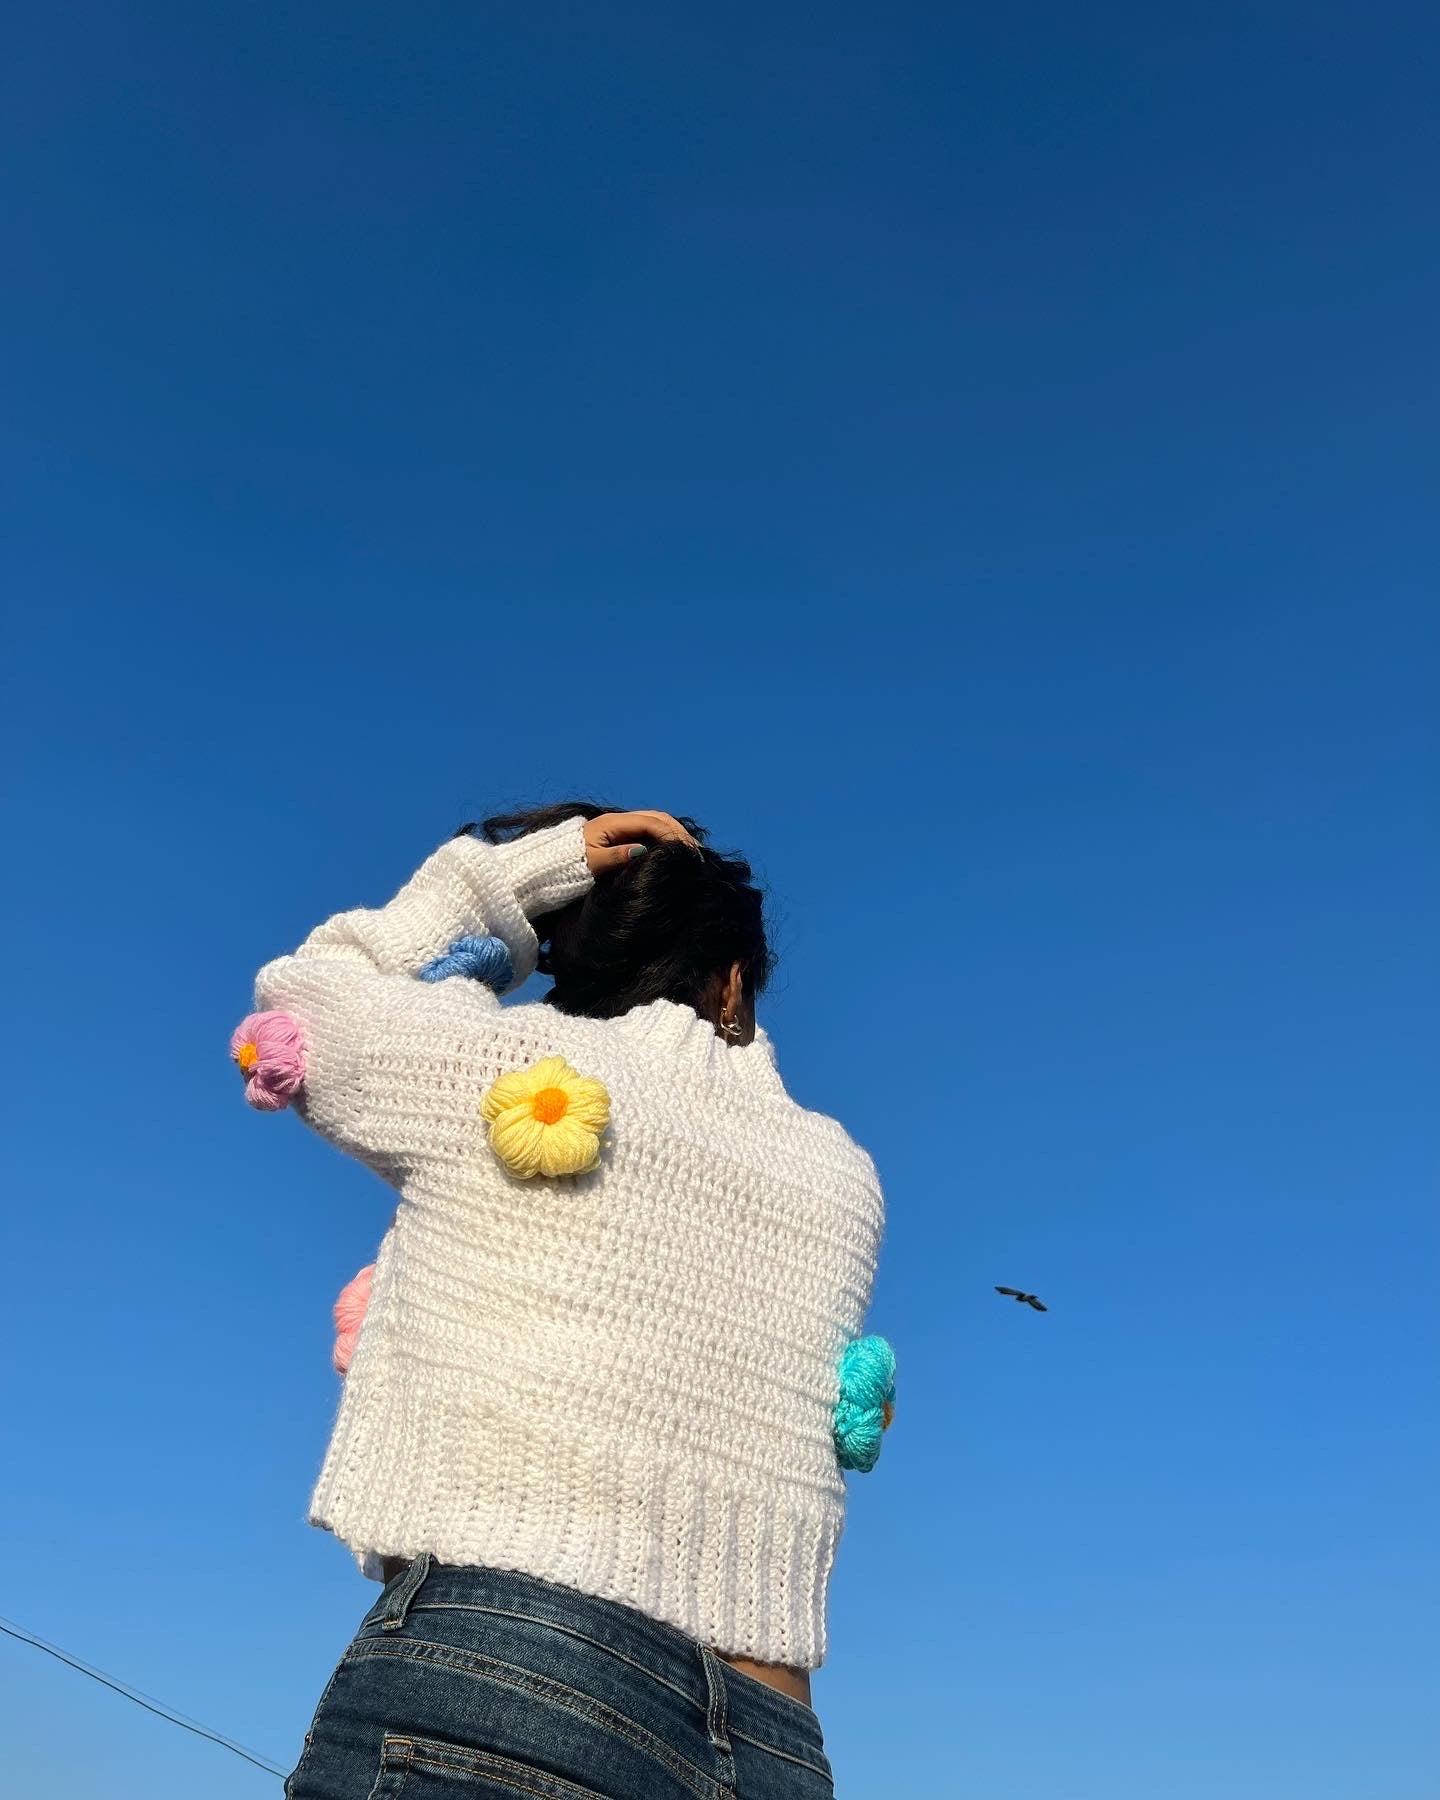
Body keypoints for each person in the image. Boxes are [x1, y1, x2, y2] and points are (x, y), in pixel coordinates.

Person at [245, 803, 888, 1798]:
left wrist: (498, 884)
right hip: (775, 1742)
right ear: (734, 978)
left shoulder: (505, 1064)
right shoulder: (844, 1181)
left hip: (510, 1670)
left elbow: (309, 987)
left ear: (571, 953)